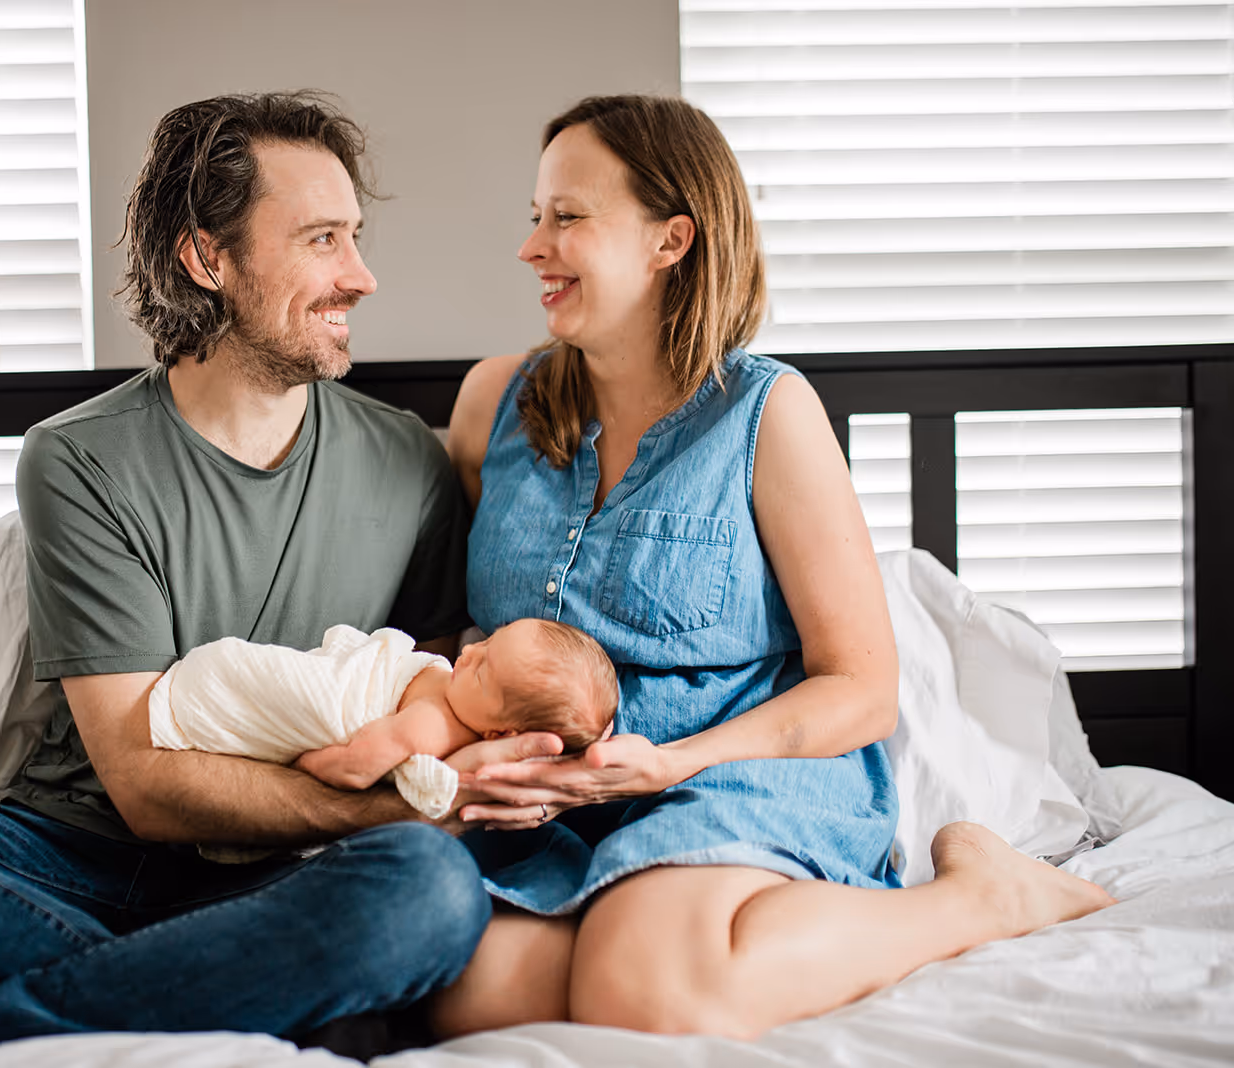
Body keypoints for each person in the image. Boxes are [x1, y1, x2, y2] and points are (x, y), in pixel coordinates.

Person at [0, 92, 561, 1067]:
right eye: (322, 240)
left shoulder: (404, 463)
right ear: (207, 257)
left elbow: (425, 689)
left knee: (427, 890)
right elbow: (146, 789)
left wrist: (447, 793)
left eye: (355, 238)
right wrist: (400, 804)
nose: (362, 277)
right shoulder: (79, 459)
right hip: (61, 860)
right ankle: (210, 979)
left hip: (279, 876)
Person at [429, 94, 1116, 1040]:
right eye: (535, 218)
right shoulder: (490, 405)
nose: (533, 247)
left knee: (647, 992)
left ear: (672, 239)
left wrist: (671, 761)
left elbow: (864, 689)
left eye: (568, 217)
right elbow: (458, 638)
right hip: (556, 802)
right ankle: (636, 922)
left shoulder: (768, 413)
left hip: (731, 770)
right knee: (470, 996)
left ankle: (981, 896)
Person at [152, 618, 618, 817]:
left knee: (259, 685)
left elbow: (355, 768)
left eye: (483, 670)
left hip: (326, 700)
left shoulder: (433, 726)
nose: (470, 651)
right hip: (349, 671)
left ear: (500, 732)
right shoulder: (456, 690)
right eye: (488, 642)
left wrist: (295, 767)